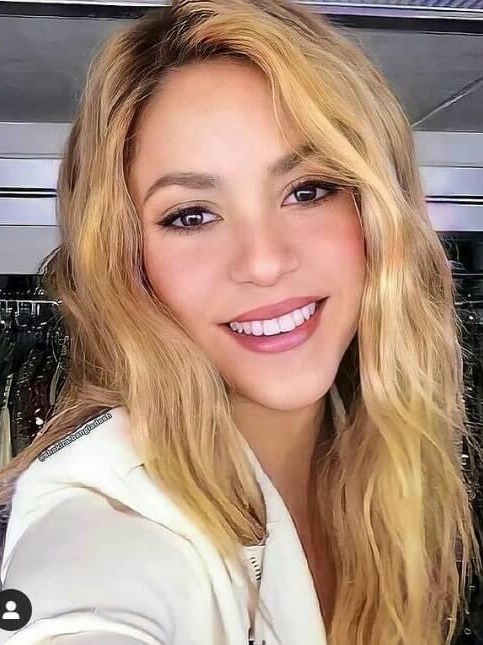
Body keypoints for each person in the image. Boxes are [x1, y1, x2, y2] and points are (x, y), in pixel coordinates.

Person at [0, 0, 480, 643]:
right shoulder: (106, 523)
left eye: (307, 190)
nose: (263, 262)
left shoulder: (382, 471)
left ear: (376, 211)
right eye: (192, 215)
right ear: (128, 261)